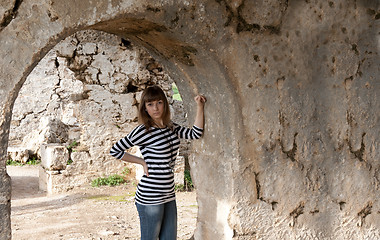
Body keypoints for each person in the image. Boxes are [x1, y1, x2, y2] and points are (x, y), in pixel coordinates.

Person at [110, 85, 206, 240]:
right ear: (145, 108)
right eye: (150, 104)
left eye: (159, 103)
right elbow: (115, 150)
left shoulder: (171, 127)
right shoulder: (143, 130)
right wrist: (141, 161)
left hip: (168, 193)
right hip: (150, 196)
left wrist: (200, 106)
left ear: (165, 104)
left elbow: (195, 133)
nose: (155, 108)